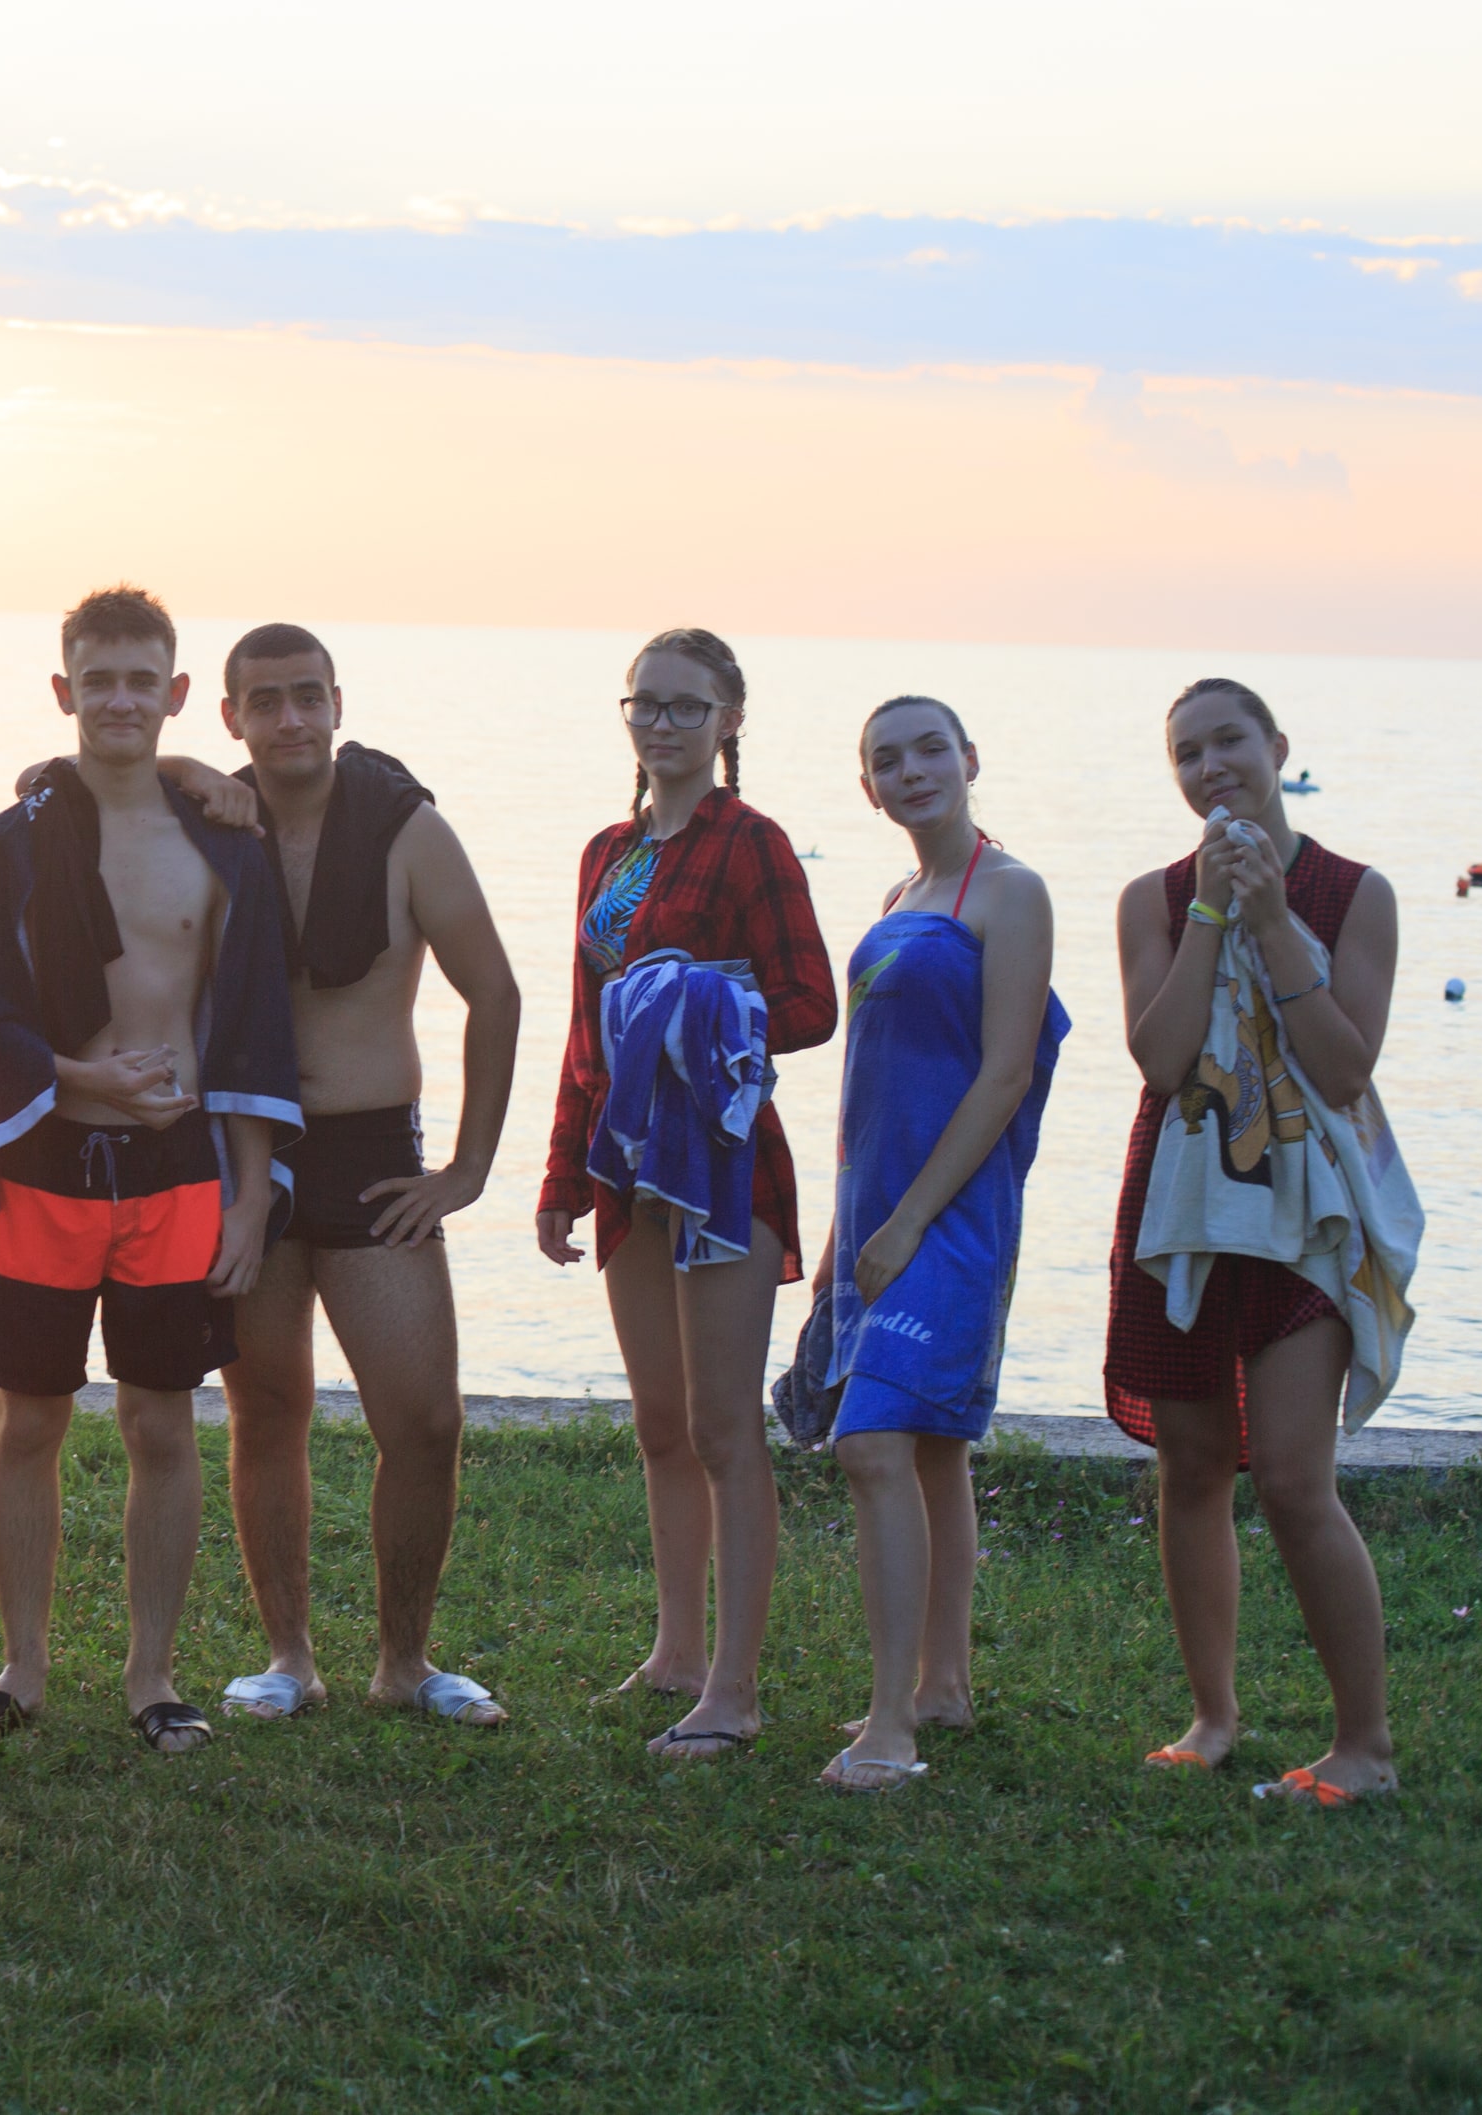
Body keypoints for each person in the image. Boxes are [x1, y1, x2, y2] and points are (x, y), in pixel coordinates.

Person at [0, 585, 297, 1756]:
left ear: (178, 693)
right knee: (29, 1417)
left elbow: (254, 1025)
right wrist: (78, 1077)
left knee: (161, 1421)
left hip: (178, 1171)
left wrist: (251, 1191)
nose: (121, 700)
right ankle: (21, 1666)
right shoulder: (12, 842)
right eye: (99, 680)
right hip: (44, 1161)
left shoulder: (224, 842)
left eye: (143, 680)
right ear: (64, 690)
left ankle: (153, 1674)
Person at [206, 625, 524, 1729]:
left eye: (307, 695)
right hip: (247, 1143)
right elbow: (72, 786)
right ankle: (289, 1656)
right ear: (231, 716)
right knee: (265, 1407)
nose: (289, 717)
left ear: (338, 702)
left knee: (424, 1419)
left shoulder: (406, 828)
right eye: (264, 700)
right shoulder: (215, 821)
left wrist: (467, 1168)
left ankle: (405, 1659)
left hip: (373, 1151)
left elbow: (496, 992)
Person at [534, 629, 834, 1763]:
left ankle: (735, 1688)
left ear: (729, 720)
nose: (661, 725)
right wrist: (561, 1172)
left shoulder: (752, 844)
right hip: (623, 1165)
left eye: (685, 707)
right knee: (660, 1422)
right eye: (644, 705)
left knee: (722, 1426)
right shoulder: (605, 852)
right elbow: (584, 1028)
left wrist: (693, 1001)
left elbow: (810, 1002)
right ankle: (673, 1651)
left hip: (718, 1163)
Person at [1108, 678, 1408, 1805]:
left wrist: (1273, 917)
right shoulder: (1150, 898)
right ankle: (1212, 1717)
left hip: (1304, 1214)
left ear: (1277, 745)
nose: (1210, 766)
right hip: (1185, 1206)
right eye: (1186, 752)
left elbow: (1343, 1066)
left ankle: (1364, 1745)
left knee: (1289, 1476)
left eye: (1228, 740)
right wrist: (1209, 914)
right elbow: (1162, 1058)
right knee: (1189, 1468)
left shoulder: (1353, 891)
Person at [810, 698, 1066, 1792]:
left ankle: (889, 1727)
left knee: (871, 1445)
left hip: (952, 1214)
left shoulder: (1010, 891)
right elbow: (868, 1089)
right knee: (931, 1450)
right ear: (868, 790)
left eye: (928, 748)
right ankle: (941, 1685)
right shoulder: (894, 900)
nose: (910, 769)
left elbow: (1004, 1072)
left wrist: (912, 1217)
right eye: (886, 759)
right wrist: (845, 1233)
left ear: (969, 758)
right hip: (875, 1207)